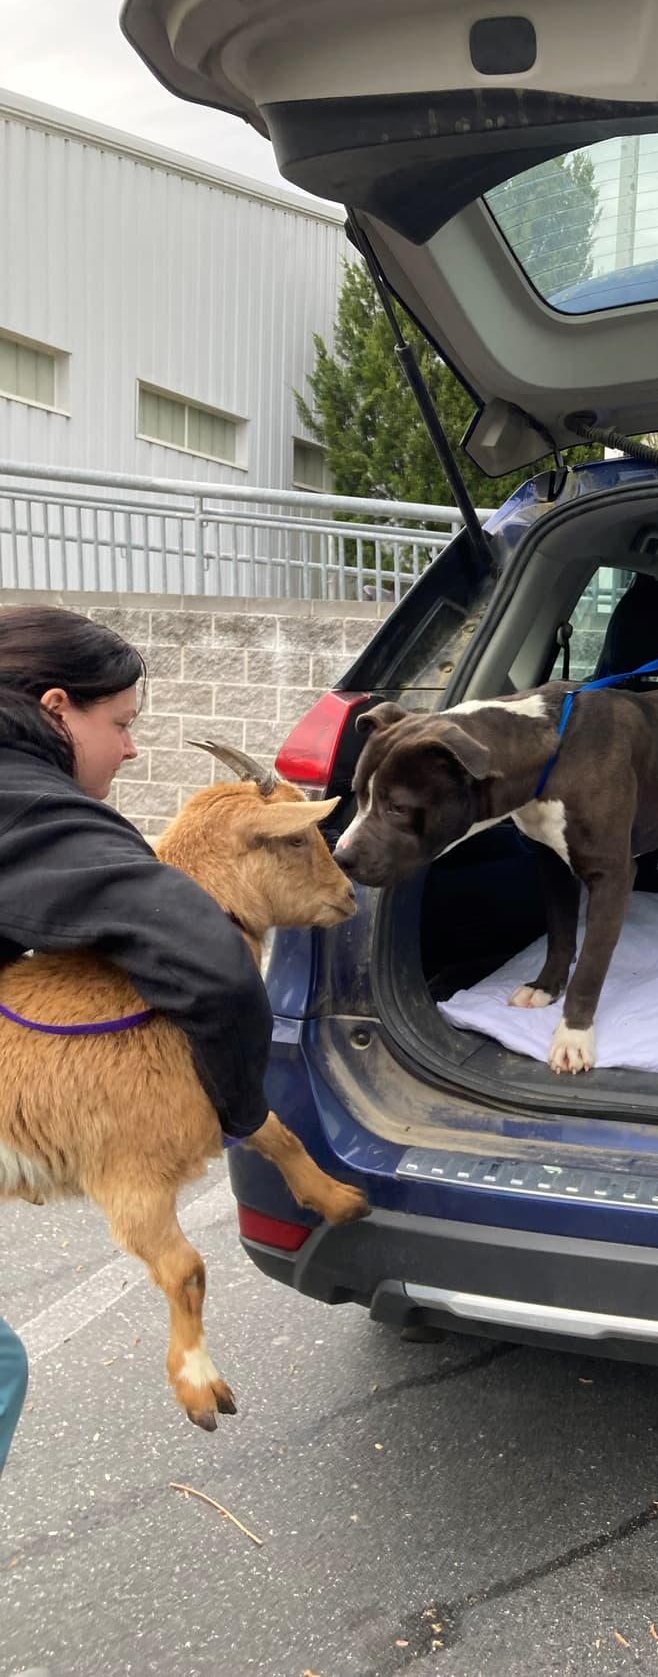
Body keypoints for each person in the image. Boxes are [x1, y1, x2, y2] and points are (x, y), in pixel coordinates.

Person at [0, 606, 274, 1477]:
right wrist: (238, 1111)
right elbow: (215, 968)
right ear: (55, 708)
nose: (130, 749)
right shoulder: (33, 809)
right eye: (119, 724)